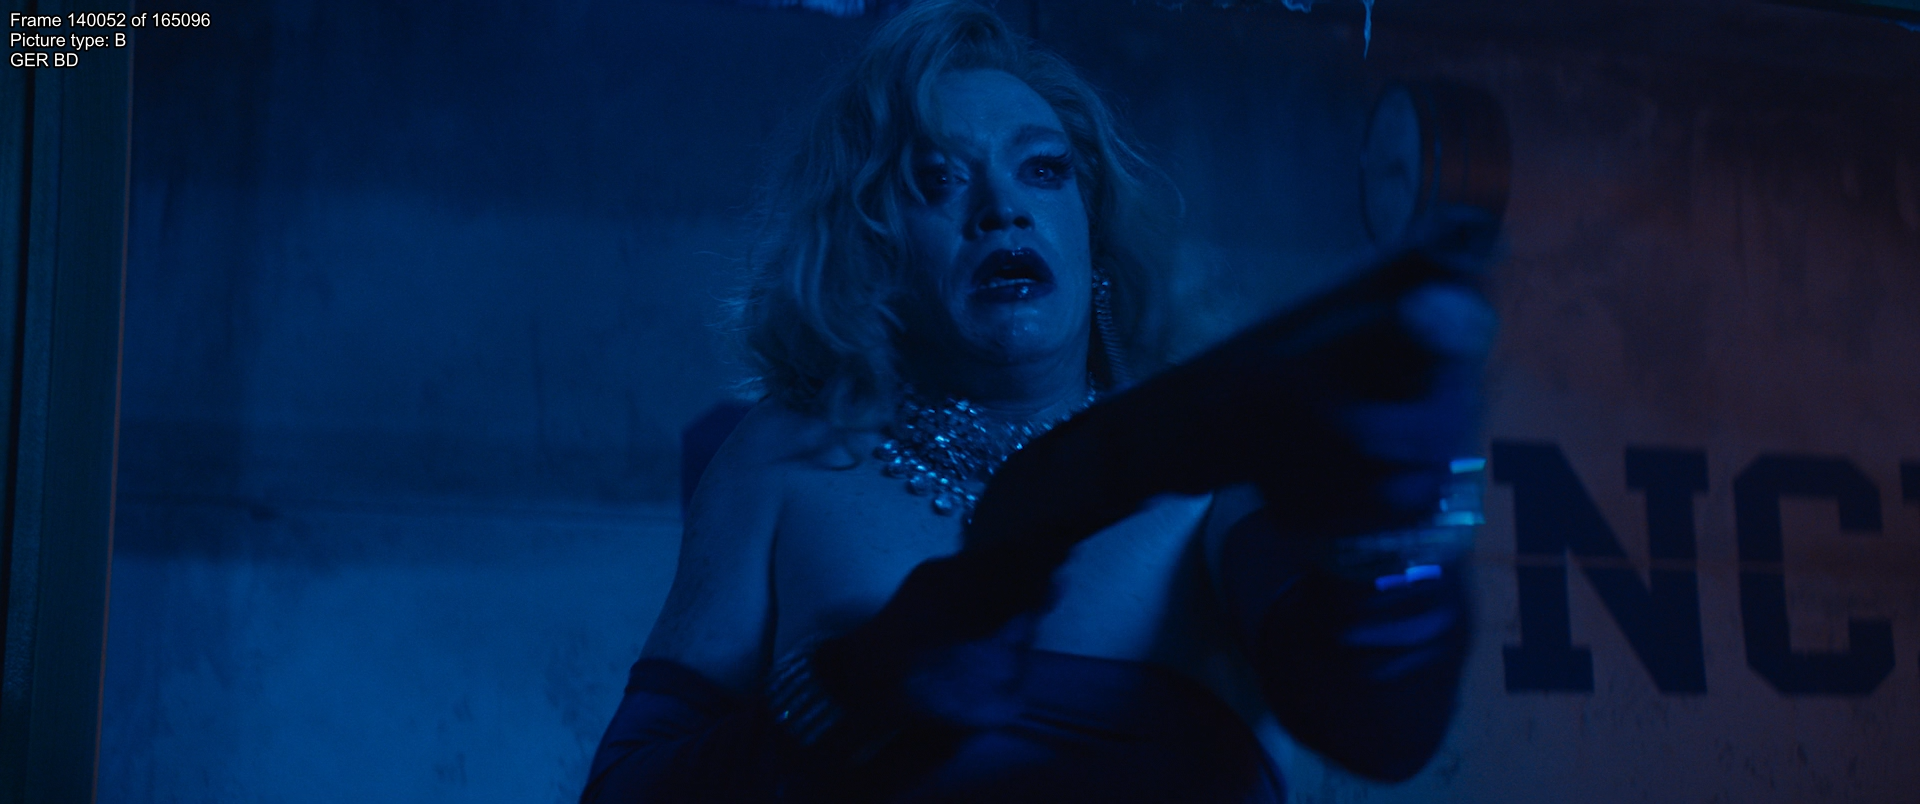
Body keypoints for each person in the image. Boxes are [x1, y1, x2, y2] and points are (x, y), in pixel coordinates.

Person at [581, 1, 1494, 801]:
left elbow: (1381, 726)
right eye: (936, 180)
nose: (1000, 208)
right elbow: (624, 791)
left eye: (1043, 169)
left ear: (1091, 231)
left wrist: (1391, 529)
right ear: (873, 249)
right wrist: (855, 683)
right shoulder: (782, 461)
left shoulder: (1211, 466)